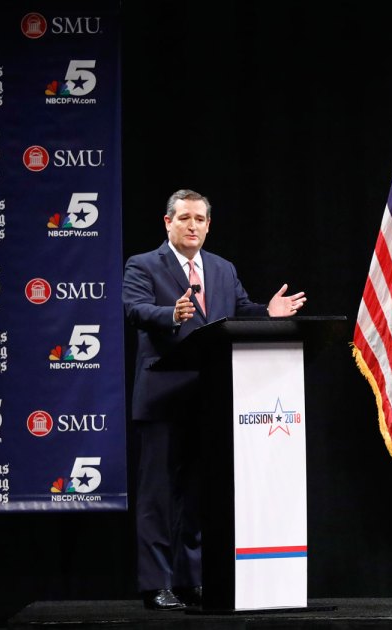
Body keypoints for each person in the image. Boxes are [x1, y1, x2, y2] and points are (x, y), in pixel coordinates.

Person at [123, 189, 307, 610]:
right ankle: (156, 585)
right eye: (184, 218)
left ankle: (191, 581)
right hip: (162, 400)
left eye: (200, 219)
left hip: (211, 401)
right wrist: (171, 314)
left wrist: (269, 313)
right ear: (167, 222)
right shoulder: (144, 265)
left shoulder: (222, 269)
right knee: (158, 497)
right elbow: (135, 309)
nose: (192, 226)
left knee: (198, 497)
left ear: (208, 225)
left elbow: (239, 310)